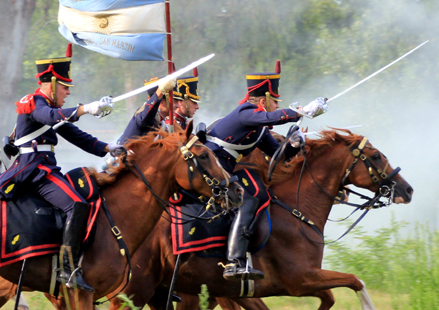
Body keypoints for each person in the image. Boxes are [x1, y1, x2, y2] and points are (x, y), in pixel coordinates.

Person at [0, 43, 119, 292]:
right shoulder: (34, 102)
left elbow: (76, 135)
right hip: (34, 170)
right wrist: (86, 109)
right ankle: (67, 268)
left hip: (44, 168)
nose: (68, 92)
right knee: (76, 205)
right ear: (51, 84)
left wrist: (109, 148)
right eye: (64, 87)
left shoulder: (51, 109)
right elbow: (51, 117)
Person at [205, 60, 326, 281]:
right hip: (210, 167)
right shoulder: (246, 112)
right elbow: (271, 117)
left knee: (257, 195)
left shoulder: (259, 129)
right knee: (247, 200)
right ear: (263, 101)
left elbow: (277, 154)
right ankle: (234, 262)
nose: (277, 105)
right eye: (275, 101)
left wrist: (294, 144)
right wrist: (301, 111)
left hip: (224, 168)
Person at [116, 67, 202, 144]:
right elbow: (146, 117)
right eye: (175, 101)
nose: (178, 106)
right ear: (161, 101)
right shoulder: (145, 116)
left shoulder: (162, 124)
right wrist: (160, 92)